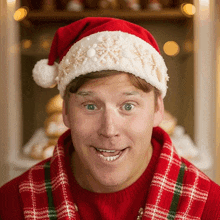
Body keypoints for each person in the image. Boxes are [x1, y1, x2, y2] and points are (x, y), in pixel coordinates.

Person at [0, 17, 220, 220]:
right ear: (65, 111)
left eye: (128, 106)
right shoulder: (11, 205)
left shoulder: (211, 207)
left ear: (157, 110)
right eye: (90, 106)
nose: (109, 129)